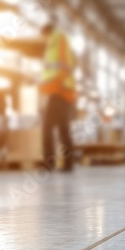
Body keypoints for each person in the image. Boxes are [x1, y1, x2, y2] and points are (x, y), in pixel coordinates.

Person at [39, 22, 77, 172]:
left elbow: (63, 66)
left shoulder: (58, 40)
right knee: (63, 129)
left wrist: (53, 84)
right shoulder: (58, 41)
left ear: (47, 31)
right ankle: (68, 163)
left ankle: (49, 163)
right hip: (62, 90)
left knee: (47, 127)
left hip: (59, 89)